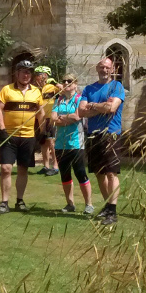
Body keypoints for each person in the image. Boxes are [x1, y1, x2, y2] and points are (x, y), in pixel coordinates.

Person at [78, 57, 126, 226]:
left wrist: (92, 106)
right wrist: (101, 106)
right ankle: (107, 205)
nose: (104, 70)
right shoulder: (89, 88)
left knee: (111, 172)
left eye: (107, 67)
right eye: (101, 67)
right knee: (99, 172)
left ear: (112, 69)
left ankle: (112, 210)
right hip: (93, 134)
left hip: (110, 134)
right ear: (97, 69)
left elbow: (112, 108)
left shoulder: (117, 87)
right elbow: (81, 112)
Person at [0, 60, 43, 214]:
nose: (26, 75)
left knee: (23, 169)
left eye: (28, 72)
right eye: (23, 72)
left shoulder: (36, 92)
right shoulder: (7, 90)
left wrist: (42, 132)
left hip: (28, 136)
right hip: (9, 135)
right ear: (17, 73)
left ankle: (20, 200)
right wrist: (2, 129)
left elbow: (40, 112)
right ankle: (4, 202)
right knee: (6, 168)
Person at [51, 73, 93, 214]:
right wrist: (66, 119)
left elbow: (77, 116)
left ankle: (89, 204)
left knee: (80, 173)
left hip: (76, 143)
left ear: (75, 84)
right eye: (64, 81)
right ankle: (70, 204)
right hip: (60, 144)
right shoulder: (59, 100)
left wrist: (62, 117)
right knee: (65, 175)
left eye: (69, 81)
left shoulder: (80, 99)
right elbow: (53, 119)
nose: (66, 83)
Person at [33, 65, 60, 176]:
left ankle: (55, 166)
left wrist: (55, 83)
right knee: (43, 143)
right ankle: (46, 166)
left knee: (51, 143)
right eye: (36, 75)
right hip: (40, 119)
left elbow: (65, 90)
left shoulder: (51, 86)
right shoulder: (36, 88)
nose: (36, 77)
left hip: (50, 118)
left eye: (38, 75)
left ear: (45, 75)